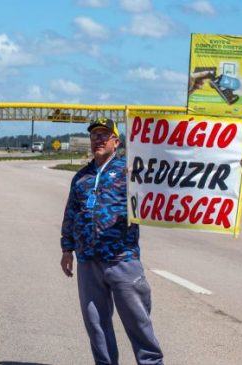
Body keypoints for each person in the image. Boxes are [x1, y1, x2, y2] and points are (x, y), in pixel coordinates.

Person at [60, 117, 164, 365]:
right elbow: (71, 213)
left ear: (116, 142)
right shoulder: (82, 177)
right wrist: (67, 249)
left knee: (138, 323)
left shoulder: (130, 172)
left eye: (104, 135)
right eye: (94, 135)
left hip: (122, 258)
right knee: (97, 326)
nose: (98, 140)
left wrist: (139, 174)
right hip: (88, 261)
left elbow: (159, 188)